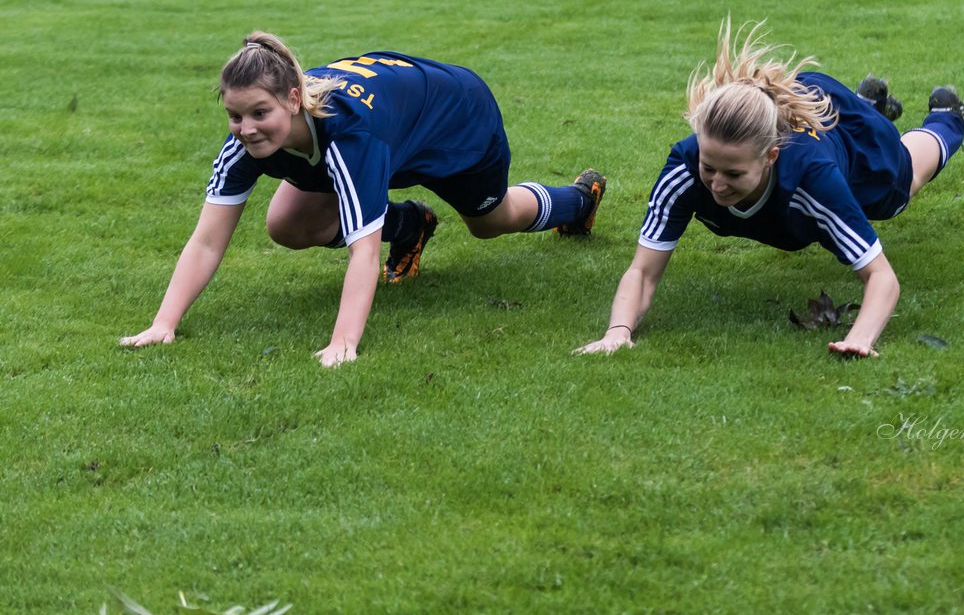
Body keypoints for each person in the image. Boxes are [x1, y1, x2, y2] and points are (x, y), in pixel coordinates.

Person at [122, 32, 606, 367]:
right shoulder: (247, 142)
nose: (246, 128)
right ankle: (411, 225)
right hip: (392, 120)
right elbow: (207, 241)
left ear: (293, 99)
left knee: (491, 220)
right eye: (234, 115)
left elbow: (363, 252)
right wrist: (163, 324)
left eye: (259, 113)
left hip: (451, 115)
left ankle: (579, 201)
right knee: (286, 223)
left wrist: (342, 343)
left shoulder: (350, 137)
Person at [575, 19, 964, 359]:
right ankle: (867, 104)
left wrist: (858, 340)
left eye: (733, 174)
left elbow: (882, 277)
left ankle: (947, 120)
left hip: (840, 132)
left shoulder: (812, 180)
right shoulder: (683, 168)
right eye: (709, 166)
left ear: (770, 157)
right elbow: (642, 272)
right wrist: (617, 334)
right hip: (795, 109)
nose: (716, 182)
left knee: (899, 191)